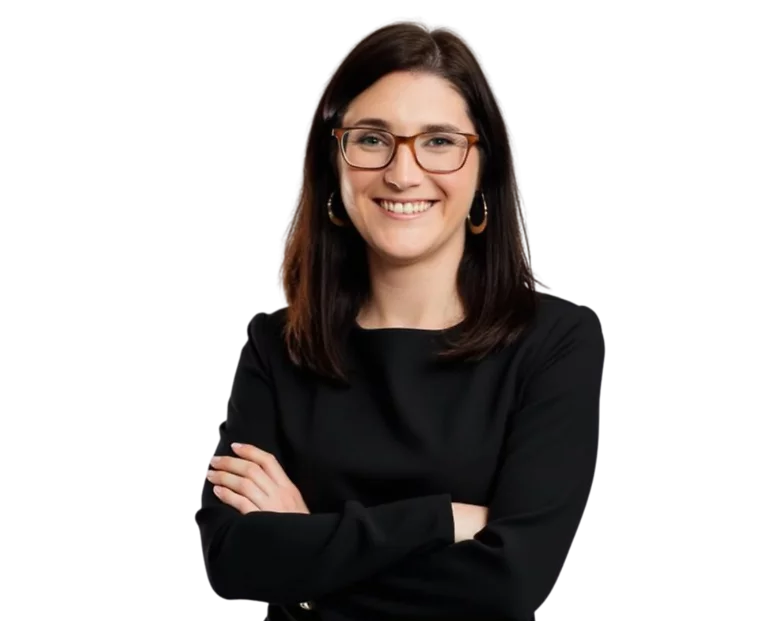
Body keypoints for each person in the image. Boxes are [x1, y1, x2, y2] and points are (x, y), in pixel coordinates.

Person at [195, 16, 606, 621]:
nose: (403, 172)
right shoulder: (277, 345)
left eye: (439, 141)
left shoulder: (553, 341)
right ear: (334, 163)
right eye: (371, 138)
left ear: (482, 168)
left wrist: (307, 562)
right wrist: (442, 519)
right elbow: (232, 563)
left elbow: (510, 586)